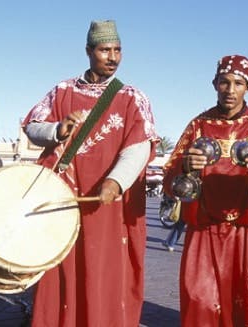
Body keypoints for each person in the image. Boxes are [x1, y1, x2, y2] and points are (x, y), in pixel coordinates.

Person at [22, 19, 156, 326]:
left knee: (105, 271)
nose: (112, 57)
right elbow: (32, 126)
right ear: (88, 51)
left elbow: (140, 146)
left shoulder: (133, 98)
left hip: (109, 204)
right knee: (60, 271)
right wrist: (58, 129)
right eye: (104, 50)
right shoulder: (62, 91)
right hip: (64, 200)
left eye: (118, 50)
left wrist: (117, 180)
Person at [162, 54, 248, 326]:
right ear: (215, 84)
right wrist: (186, 166)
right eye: (225, 82)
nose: (230, 90)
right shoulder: (198, 126)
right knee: (201, 297)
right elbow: (169, 174)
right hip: (206, 230)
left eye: (238, 83)